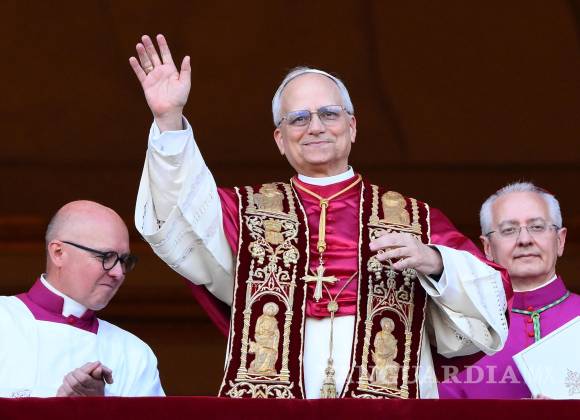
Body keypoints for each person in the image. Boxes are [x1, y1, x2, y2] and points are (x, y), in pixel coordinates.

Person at [130, 34, 511, 399]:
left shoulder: (413, 218)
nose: (315, 127)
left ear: (352, 127)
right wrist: (169, 120)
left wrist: (435, 262)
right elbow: (180, 213)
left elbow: (493, 294)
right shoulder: (244, 213)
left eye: (329, 114)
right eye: (298, 118)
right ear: (280, 139)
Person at [0, 200, 165, 397]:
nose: (118, 272)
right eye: (106, 257)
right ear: (58, 253)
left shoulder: (134, 354)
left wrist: (99, 408)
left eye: (124, 260)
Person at [439, 182, 580, 398]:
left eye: (537, 227)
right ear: (488, 248)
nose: (525, 240)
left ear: (560, 240)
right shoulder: (460, 332)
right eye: (508, 230)